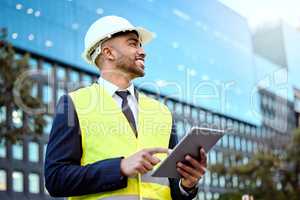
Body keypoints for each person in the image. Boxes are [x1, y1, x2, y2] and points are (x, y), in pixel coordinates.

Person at [44, 15, 207, 200]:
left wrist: (188, 185)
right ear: (108, 52)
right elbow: (55, 179)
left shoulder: (161, 112)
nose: (143, 51)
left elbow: (172, 188)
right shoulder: (74, 104)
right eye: (133, 44)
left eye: (141, 45)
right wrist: (120, 167)